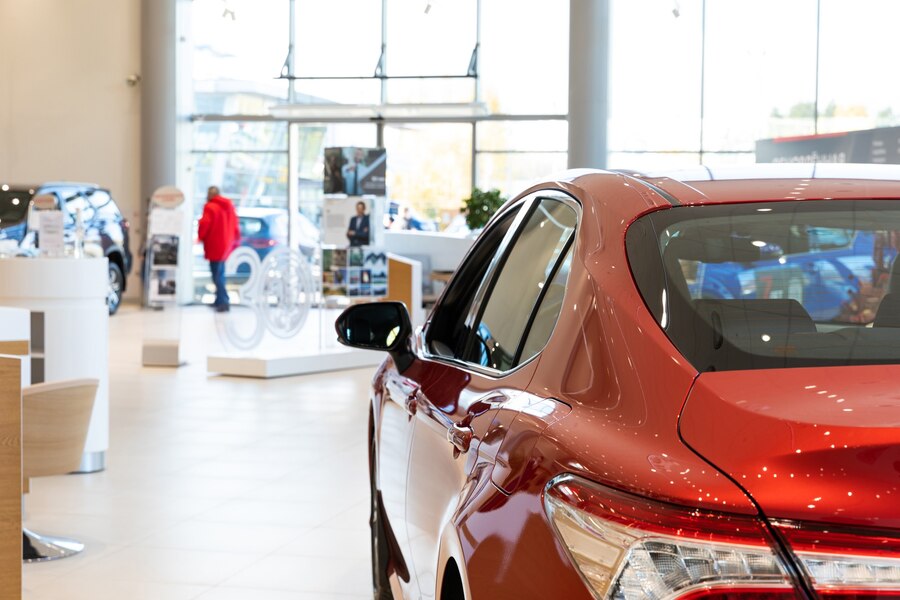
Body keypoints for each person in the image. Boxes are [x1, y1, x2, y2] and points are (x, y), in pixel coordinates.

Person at [198, 186, 239, 312]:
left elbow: (204, 224)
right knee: (220, 273)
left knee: (217, 274)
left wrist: (200, 237)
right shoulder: (229, 206)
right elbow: (235, 225)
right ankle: (220, 299)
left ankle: (223, 301)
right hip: (226, 244)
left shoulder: (210, 207)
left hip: (214, 244)